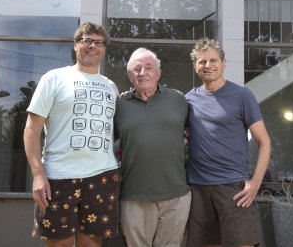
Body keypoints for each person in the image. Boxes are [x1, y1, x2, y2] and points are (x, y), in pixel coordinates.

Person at [24, 22, 120, 247]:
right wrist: (38, 175)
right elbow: (31, 129)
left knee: (91, 244)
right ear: (76, 44)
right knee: (60, 244)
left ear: (104, 48)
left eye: (98, 42)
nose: (92, 46)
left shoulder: (111, 87)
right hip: (58, 177)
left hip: (101, 176)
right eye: (87, 41)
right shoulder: (54, 78)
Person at [185, 37, 271, 247]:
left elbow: (264, 142)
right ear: (195, 66)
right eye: (202, 62)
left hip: (234, 188)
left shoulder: (242, 95)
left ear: (223, 64)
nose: (208, 66)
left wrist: (255, 183)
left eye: (213, 60)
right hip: (198, 188)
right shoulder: (188, 100)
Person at [114, 48, 191, 247]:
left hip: (176, 195)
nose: (143, 73)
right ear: (129, 75)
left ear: (158, 73)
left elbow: (196, 134)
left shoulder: (178, 99)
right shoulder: (118, 105)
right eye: (137, 69)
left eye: (148, 68)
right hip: (134, 196)